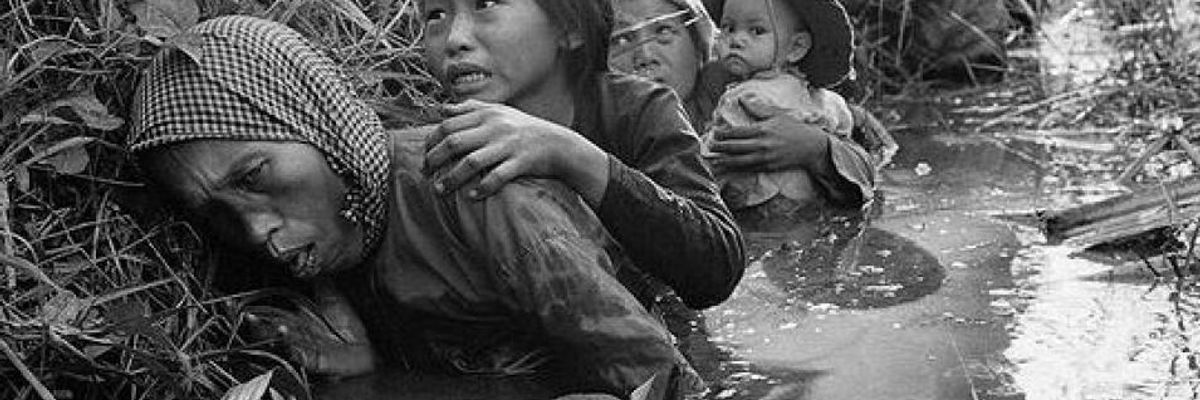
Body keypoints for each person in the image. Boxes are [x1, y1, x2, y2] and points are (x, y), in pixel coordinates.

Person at [128, 15, 701, 400]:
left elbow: (665, 381)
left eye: (255, 176)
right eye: (214, 213)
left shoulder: (479, 196)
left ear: (320, 123)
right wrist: (370, 371)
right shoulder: (327, 243)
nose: (255, 232)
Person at [418, 0, 745, 310]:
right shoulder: (433, 145)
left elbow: (717, 267)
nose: (454, 39)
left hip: (650, 341)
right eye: (435, 14)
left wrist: (571, 155)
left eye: (486, 4)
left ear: (570, 26)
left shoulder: (637, 111)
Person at [609, 0, 892, 228]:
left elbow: (872, 147)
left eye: (663, 32)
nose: (644, 54)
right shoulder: (605, 123)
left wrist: (815, 147)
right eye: (621, 40)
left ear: (700, 45)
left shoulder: (750, 88)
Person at [703, 0, 858, 221]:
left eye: (756, 31)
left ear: (797, 48)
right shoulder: (825, 100)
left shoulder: (740, 99)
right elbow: (844, 125)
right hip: (811, 207)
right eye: (728, 28)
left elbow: (712, 159)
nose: (736, 40)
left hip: (756, 208)